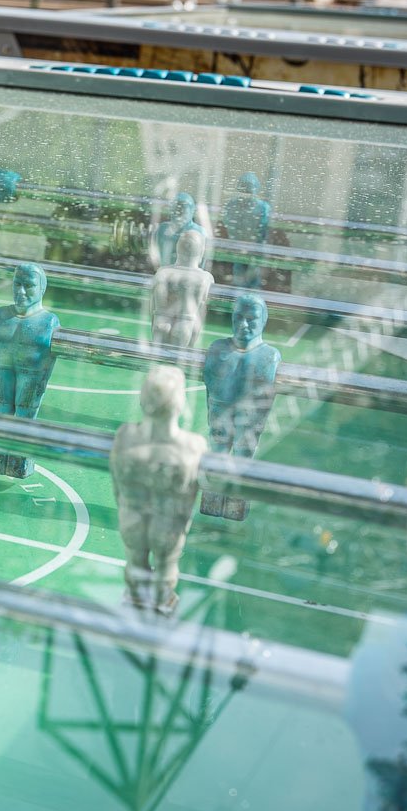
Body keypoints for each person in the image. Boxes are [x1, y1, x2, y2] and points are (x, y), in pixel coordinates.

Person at [111, 366, 207, 615]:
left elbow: (116, 486)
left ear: (143, 400)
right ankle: (161, 608)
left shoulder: (124, 437)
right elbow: (192, 493)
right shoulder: (192, 446)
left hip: (131, 517)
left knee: (135, 563)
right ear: (180, 403)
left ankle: (134, 603)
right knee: (166, 568)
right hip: (168, 523)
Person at [200, 294, 281, 520]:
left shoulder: (269, 356)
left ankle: (236, 506)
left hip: (249, 421)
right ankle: (212, 502)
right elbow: (210, 388)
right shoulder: (217, 349)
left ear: (264, 320)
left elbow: (266, 401)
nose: (243, 324)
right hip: (219, 416)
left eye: (251, 319)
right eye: (238, 318)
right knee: (216, 458)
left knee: (242, 461)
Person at [0, 263, 59, 477]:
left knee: (25, 413)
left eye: (29, 285)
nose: (21, 291)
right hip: (2, 369)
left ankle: (19, 462)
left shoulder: (48, 322)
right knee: (2, 409)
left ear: (42, 288)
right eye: (17, 284)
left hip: (32, 374)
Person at [150, 229, 214, 349]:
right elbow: (201, 308)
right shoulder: (204, 277)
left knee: (160, 355)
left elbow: (155, 304)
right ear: (201, 252)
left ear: (177, 249)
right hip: (186, 321)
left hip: (162, 318)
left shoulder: (163, 272)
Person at [222, 172, 271, 288]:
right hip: (237, 249)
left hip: (256, 251)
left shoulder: (263, 208)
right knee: (238, 280)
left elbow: (265, 233)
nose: (246, 193)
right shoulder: (231, 205)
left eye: (249, 189)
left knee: (253, 281)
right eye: (243, 189)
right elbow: (229, 227)